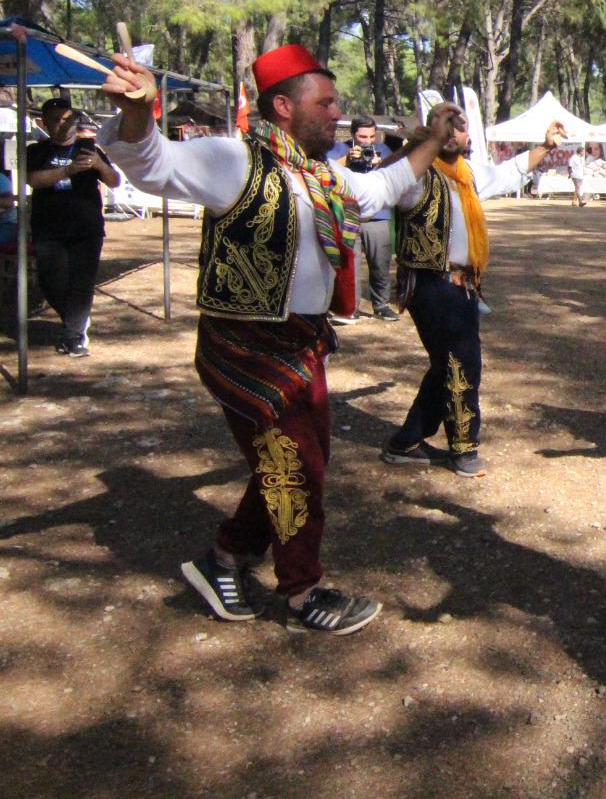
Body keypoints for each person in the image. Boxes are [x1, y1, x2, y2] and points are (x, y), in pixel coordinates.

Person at [101, 44, 458, 634]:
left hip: (300, 343)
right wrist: (139, 110)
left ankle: (224, 559)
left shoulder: (319, 174)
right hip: (246, 346)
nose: (338, 113)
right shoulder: (232, 159)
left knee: (292, 461)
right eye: (328, 103)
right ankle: (301, 593)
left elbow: (378, 191)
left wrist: (430, 139)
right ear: (285, 107)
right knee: (295, 467)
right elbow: (150, 162)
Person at [383, 117, 567, 478]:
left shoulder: (468, 174)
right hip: (431, 284)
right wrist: (416, 145)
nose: (455, 133)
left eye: (460, 127)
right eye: (445, 126)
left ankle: (405, 441)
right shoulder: (417, 174)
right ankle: (463, 448)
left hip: (462, 285)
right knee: (463, 363)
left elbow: (511, 170)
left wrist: (545, 146)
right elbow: (383, 181)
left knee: (448, 363)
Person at [26, 96, 120, 356]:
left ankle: (72, 337)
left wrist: (100, 165)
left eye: (67, 119)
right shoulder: (36, 151)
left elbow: (115, 181)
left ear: (75, 121)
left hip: (86, 228)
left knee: (82, 282)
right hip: (49, 228)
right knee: (50, 280)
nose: (62, 124)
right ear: (45, 122)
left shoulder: (89, 149)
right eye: (56, 119)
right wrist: (67, 171)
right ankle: (76, 321)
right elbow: (34, 180)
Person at [342, 117, 400, 320]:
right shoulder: (340, 150)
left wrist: (380, 162)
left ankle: (382, 305)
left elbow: (397, 174)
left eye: (372, 136)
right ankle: (350, 308)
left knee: (380, 264)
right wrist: (347, 159)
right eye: (362, 137)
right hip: (349, 215)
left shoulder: (384, 150)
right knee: (350, 265)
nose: (367, 141)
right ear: (352, 134)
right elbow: (327, 168)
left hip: (379, 216)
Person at [567, 143, 589, 207]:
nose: (584, 153)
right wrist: (570, 174)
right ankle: (580, 202)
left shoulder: (580, 158)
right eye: (583, 152)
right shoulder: (573, 158)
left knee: (577, 189)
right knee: (577, 188)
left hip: (580, 176)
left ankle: (574, 201)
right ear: (581, 152)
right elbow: (569, 166)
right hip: (575, 175)